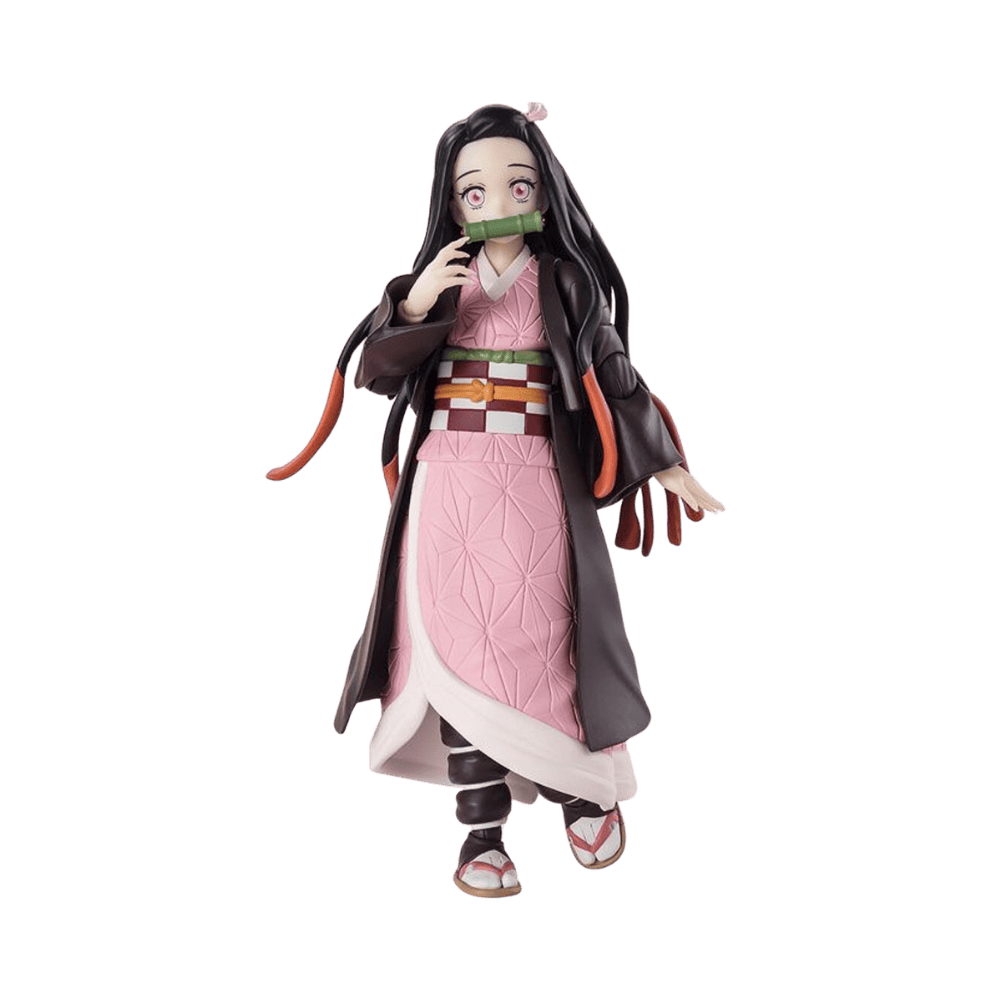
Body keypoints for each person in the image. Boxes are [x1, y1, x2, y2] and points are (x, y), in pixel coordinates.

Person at [266, 102, 725, 899]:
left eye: (519, 183)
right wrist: (414, 307)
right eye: (474, 190)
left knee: (544, 641)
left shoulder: (565, 280)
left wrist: (664, 461)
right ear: (452, 202)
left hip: (537, 477)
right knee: (453, 653)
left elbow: (613, 371)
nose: (498, 202)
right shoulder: (441, 280)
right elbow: (379, 374)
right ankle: (481, 832)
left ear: (544, 189)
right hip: (447, 481)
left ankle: (583, 796)